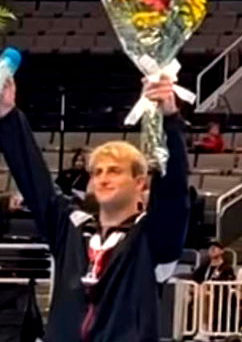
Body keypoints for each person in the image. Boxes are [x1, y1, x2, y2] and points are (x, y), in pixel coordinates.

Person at [0, 75, 189, 341]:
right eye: (97, 172)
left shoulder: (151, 238)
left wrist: (169, 118)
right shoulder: (72, 228)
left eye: (114, 171)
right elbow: (36, 182)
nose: (103, 178)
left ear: (139, 182)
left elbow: (174, 192)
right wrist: (7, 115)